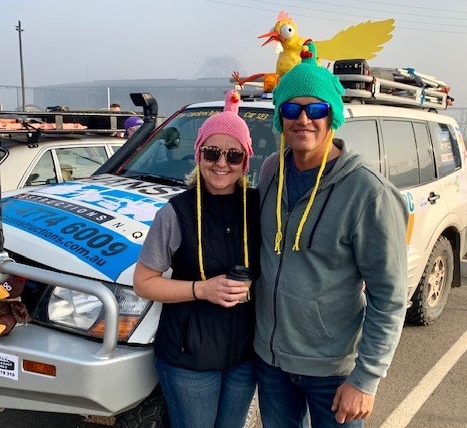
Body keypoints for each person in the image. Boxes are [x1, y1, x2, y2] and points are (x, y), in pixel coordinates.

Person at [254, 41, 408, 427]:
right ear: (280, 117)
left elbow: (389, 296)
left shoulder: (366, 191)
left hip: (333, 371)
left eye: (316, 109)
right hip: (271, 364)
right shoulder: (273, 170)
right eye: (291, 108)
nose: (303, 119)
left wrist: (366, 379)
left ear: (332, 115)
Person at [133, 89, 260, 428]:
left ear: (245, 161)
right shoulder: (175, 213)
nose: (222, 163)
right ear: (198, 154)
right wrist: (201, 290)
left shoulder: (258, 207)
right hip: (189, 359)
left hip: (244, 357)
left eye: (234, 156)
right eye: (212, 152)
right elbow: (143, 283)